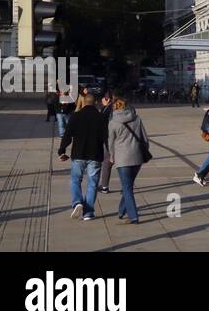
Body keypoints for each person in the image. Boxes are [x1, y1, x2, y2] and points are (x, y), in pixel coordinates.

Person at [57, 90, 106, 220]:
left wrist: (62, 150)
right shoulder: (101, 118)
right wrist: (111, 152)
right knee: (92, 184)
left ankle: (77, 202)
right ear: (96, 103)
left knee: (75, 180)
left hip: (78, 154)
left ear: (84, 102)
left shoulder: (75, 116)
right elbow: (107, 138)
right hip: (95, 155)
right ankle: (88, 213)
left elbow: (67, 136)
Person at [107, 94, 150, 224]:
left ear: (115, 107)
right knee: (128, 186)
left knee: (127, 187)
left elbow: (110, 142)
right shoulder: (137, 119)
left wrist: (111, 156)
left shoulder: (113, 122)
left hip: (122, 158)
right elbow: (145, 139)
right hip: (137, 157)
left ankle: (133, 216)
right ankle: (121, 210)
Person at [97, 91, 115, 194]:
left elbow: (101, 120)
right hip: (121, 140)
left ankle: (104, 186)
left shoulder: (108, 108)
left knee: (107, 163)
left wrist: (103, 107)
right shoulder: (124, 107)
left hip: (109, 139)